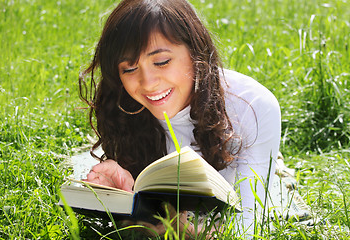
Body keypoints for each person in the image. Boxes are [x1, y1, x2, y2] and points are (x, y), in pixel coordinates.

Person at [79, 0, 281, 238]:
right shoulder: (125, 106)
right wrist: (124, 198)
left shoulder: (252, 106)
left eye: (162, 62)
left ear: (196, 51)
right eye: (130, 69)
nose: (148, 82)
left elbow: (250, 226)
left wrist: (189, 232)